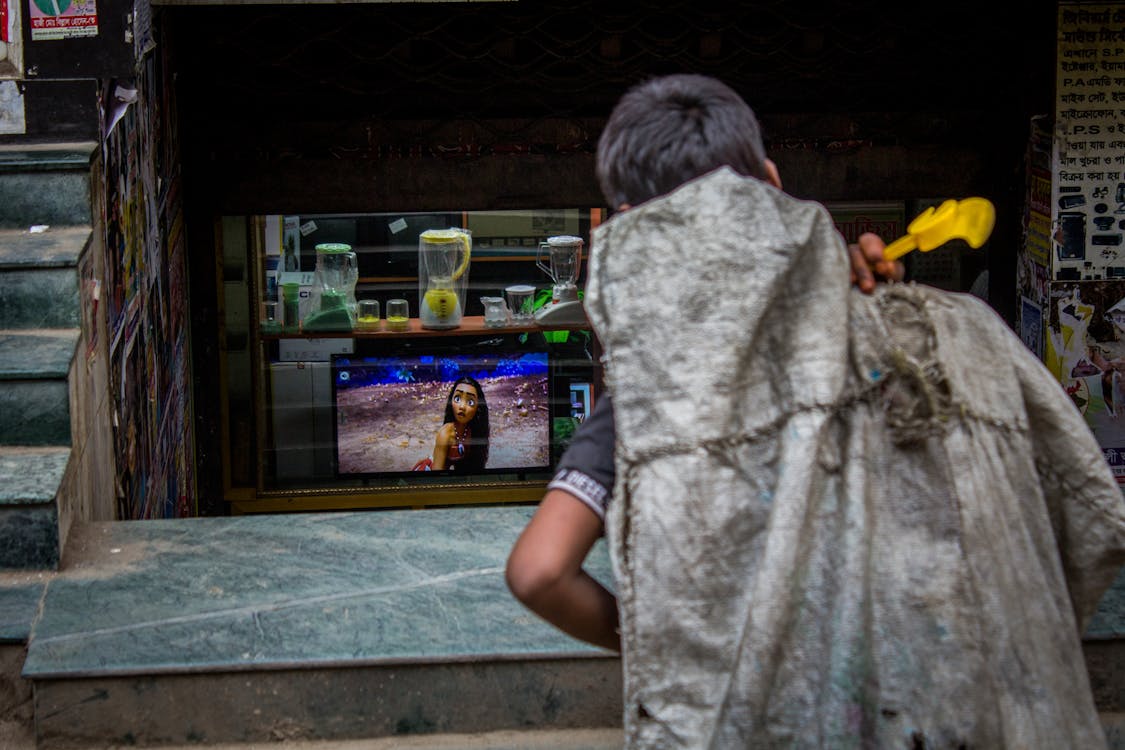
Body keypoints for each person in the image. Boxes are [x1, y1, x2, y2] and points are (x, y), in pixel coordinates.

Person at [506, 73, 1125, 748]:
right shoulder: (953, 336)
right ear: (771, 181)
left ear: (629, 231)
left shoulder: (651, 396)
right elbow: (1091, 520)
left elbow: (539, 572)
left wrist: (683, 651)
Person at [413, 376, 490, 472]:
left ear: (478, 409)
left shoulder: (471, 431)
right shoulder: (445, 434)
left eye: (470, 402)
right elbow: (437, 476)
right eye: (457, 399)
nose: (462, 406)